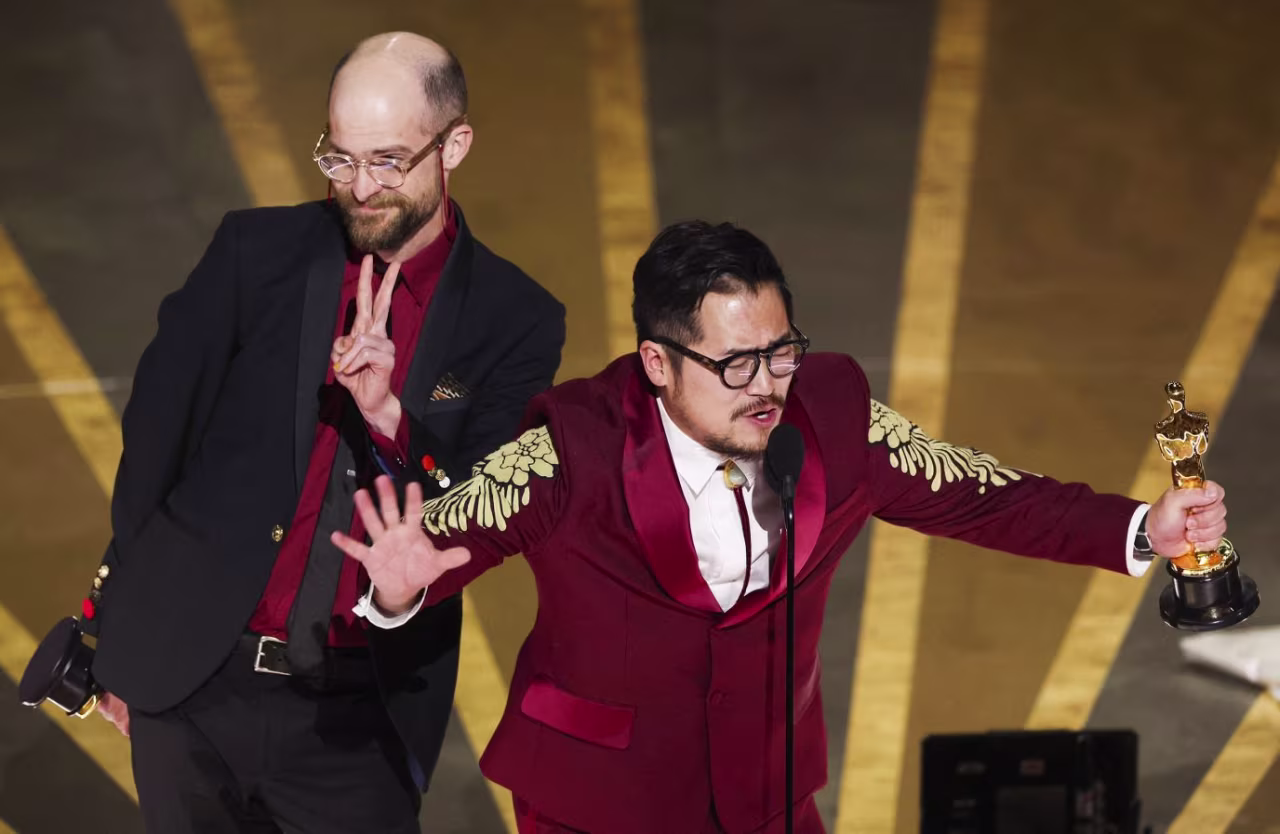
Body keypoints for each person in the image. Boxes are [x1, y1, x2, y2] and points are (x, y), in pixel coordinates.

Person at [334, 220, 1229, 834]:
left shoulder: (833, 411)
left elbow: (981, 493)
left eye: (781, 351)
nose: (767, 384)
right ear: (657, 361)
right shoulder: (572, 445)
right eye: (735, 364)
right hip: (597, 803)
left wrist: (1146, 525)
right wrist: (394, 590)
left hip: (766, 791)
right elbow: (444, 538)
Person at [80, 32, 565, 834]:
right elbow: (156, 444)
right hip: (193, 685)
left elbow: (484, 507)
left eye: (387, 161)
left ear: (456, 146)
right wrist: (127, 641)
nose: (361, 187)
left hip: (357, 716)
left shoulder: (515, 318)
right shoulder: (252, 252)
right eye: (339, 159)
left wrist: (387, 419)